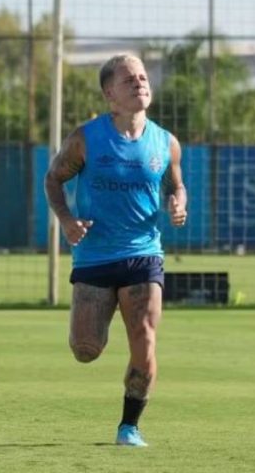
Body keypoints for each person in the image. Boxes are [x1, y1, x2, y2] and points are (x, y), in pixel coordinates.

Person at [44, 54, 187, 447]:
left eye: (143, 77)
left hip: (144, 254)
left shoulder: (165, 142)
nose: (140, 83)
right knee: (85, 349)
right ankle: (92, 336)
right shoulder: (86, 139)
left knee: (144, 336)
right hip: (94, 256)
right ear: (110, 93)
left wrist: (178, 202)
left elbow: (176, 184)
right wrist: (67, 221)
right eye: (129, 80)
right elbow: (53, 179)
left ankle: (129, 427)